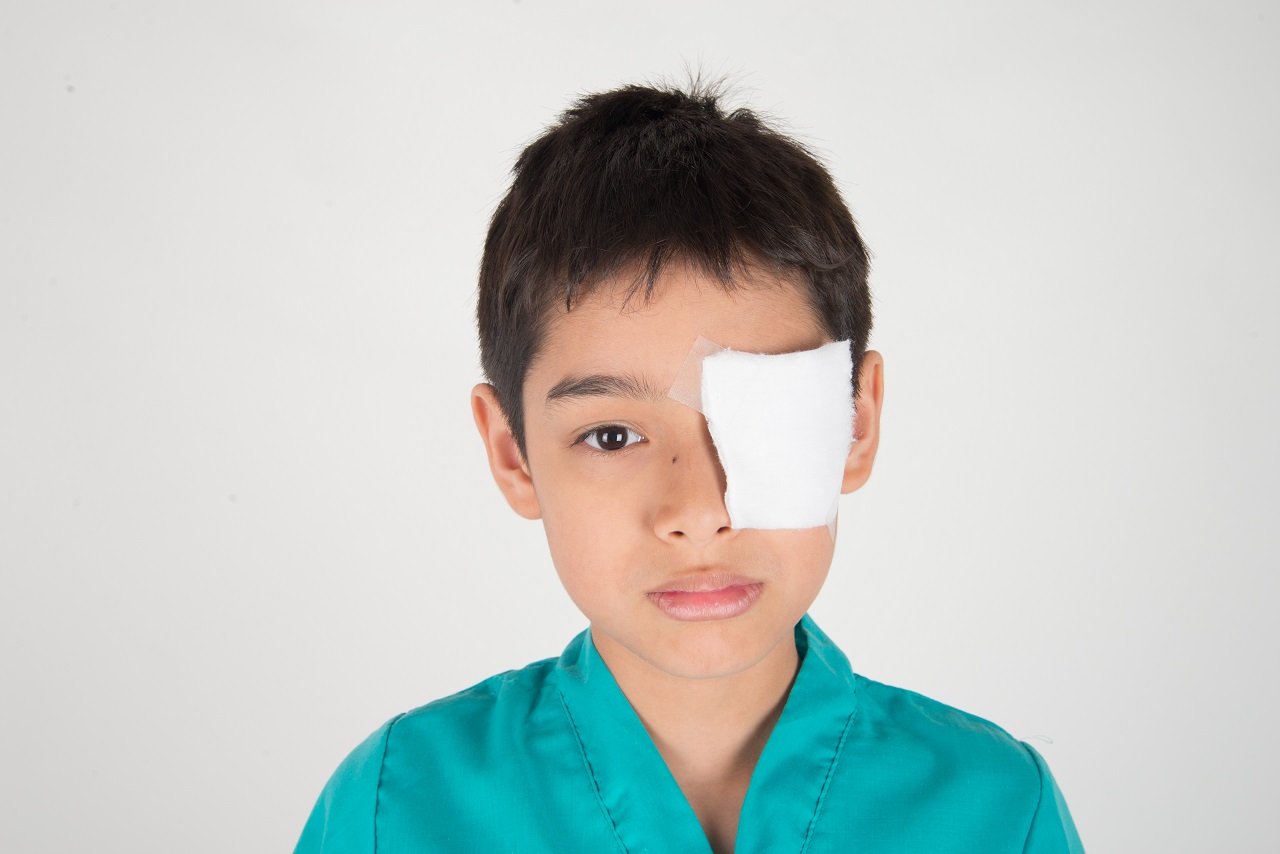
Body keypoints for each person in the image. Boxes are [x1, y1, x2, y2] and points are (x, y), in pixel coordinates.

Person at [294, 81, 1085, 853]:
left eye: (766, 415)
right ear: (513, 453)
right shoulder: (393, 810)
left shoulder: (997, 810)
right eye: (611, 436)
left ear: (856, 421)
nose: (700, 508)